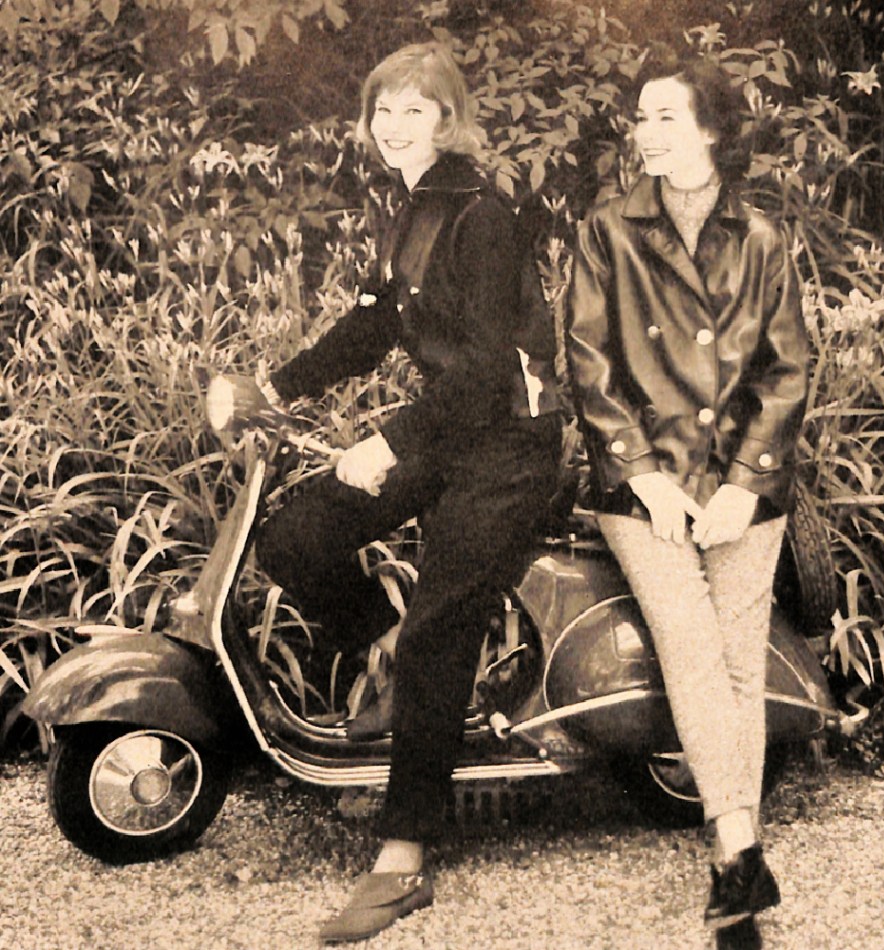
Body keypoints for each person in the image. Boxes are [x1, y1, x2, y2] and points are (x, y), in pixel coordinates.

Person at [252, 42, 562, 943]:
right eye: (384, 108)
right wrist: (276, 389)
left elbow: (485, 368)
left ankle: (404, 855)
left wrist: (387, 443)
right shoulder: (405, 203)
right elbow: (371, 323)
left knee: (440, 621)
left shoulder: (483, 213)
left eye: (415, 110)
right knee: (297, 538)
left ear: (448, 118)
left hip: (507, 445)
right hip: (448, 428)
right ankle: (383, 658)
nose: (394, 125)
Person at [566, 46, 809, 936]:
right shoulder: (608, 228)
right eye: (640, 118)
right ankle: (736, 852)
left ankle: (734, 864)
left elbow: (787, 372)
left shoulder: (763, 237)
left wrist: (747, 484)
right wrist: (644, 476)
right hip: (643, 487)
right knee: (697, 650)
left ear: (712, 130)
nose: (646, 133)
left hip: (747, 484)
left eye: (665, 117)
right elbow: (588, 366)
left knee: (740, 661)